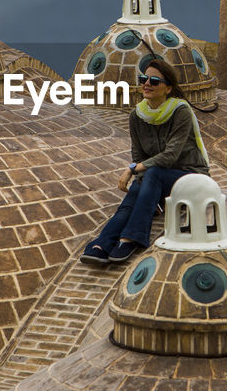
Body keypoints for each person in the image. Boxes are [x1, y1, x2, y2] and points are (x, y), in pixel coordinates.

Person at [81, 58, 209, 265]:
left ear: (168, 88)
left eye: (154, 81)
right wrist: (138, 176)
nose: (147, 84)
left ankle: (133, 237)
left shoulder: (180, 111)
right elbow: (139, 155)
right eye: (143, 79)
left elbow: (170, 156)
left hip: (189, 175)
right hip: (155, 178)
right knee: (133, 196)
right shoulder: (137, 116)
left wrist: (132, 170)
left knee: (152, 173)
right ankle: (103, 243)